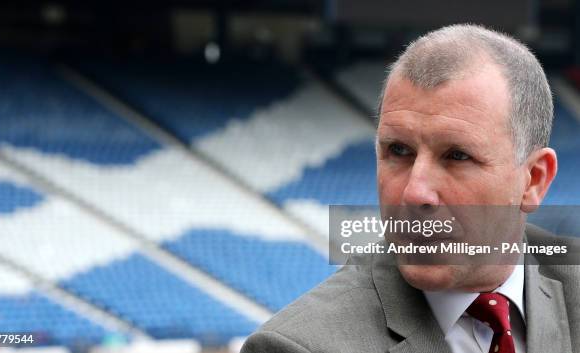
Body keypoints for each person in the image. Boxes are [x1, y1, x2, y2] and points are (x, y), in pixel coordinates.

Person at [241, 24, 579, 353]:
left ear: (534, 181)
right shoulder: (297, 347)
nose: (415, 193)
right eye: (398, 151)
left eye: (456, 156)